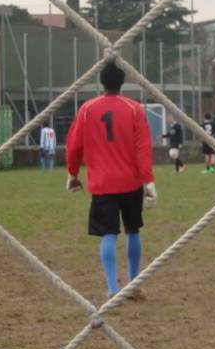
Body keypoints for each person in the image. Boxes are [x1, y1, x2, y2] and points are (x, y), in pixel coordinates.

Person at [65, 63, 156, 298]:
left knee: (108, 234)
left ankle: (113, 289)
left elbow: (74, 145)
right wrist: (148, 181)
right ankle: (134, 285)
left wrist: (72, 173)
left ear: (102, 82)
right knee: (133, 230)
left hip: (103, 183)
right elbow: (143, 148)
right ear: (122, 82)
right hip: (131, 182)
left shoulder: (87, 109)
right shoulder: (134, 108)